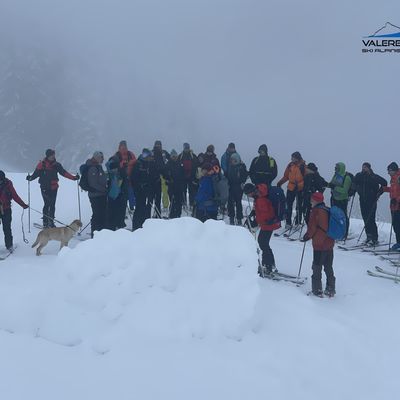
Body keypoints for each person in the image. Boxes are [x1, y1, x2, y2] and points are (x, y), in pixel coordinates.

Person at [27, 149, 79, 228]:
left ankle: (50, 222)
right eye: (52, 155)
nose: (53, 156)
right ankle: (46, 222)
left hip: (54, 188)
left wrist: (73, 178)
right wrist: (30, 178)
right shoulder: (41, 164)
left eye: (54, 155)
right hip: (44, 188)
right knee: (47, 204)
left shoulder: (57, 165)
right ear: (48, 156)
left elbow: (64, 173)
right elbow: (36, 174)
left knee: (52, 204)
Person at [243, 183, 281, 275]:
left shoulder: (261, 199)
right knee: (264, 243)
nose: (248, 196)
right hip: (267, 223)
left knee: (263, 243)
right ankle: (270, 265)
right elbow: (260, 212)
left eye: (247, 194)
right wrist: (253, 213)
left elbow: (265, 214)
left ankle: (267, 266)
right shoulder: (259, 196)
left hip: (269, 224)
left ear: (251, 192)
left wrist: (256, 221)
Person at [303, 192, 336, 297]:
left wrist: (307, 236)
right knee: (328, 267)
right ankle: (331, 289)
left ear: (315, 200)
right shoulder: (328, 209)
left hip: (319, 244)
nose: (310, 202)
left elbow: (312, 228)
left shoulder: (316, 211)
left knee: (316, 267)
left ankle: (317, 290)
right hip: (329, 243)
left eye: (312, 200)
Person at [354, 162, 387, 245]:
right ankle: (368, 236)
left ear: (369, 168)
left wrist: (379, 193)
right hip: (362, 200)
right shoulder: (359, 175)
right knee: (365, 218)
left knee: (371, 218)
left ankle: (374, 238)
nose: (363, 169)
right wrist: (357, 189)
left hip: (372, 200)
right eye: (363, 167)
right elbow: (354, 183)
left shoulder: (374, 176)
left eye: (365, 167)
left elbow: (384, 183)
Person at [107, 141, 136, 230]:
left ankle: (120, 223)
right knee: (118, 204)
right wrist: (120, 166)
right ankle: (117, 223)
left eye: (125, 147)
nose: (124, 148)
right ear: (119, 147)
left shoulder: (130, 155)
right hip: (118, 183)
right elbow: (110, 167)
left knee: (123, 203)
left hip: (128, 182)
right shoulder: (116, 157)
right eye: (122, 147)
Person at [0, 171, 29, 252]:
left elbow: (14, 195)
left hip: (6, 209)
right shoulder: (7, 183)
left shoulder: (8, 184)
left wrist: (23, 205)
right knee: (7, 228)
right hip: (4, 209)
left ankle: (9, 246)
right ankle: (9, 246)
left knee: (7, 228)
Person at [277, 151, 306, 228]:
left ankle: (298, 222)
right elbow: (286, 176)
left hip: (300, 188)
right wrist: (280, 183)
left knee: (299, 206)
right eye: (292, 157)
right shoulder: (290, 165)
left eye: (293, 158)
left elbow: (305, 178)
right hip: (291, 187)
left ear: (297, 158)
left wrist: (300, 185)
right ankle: (288, 222)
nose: (291, 159)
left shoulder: (303, 166)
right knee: (288, 205)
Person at [131, 149, 155, 230]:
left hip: (144, 189)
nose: (150, 158)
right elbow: (134, 178)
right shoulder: (139, 164)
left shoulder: (146, 163)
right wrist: (140, 186)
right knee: (139, 208)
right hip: (139, 190)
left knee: (143, 208)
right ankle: (136, 227)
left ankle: (141, 225)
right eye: (149, 156)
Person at [85, 151, 108, 238]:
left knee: (101, 214)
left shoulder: (98, 166)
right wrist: (104, 189)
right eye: (101, 157)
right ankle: (95, 233)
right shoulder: (93, 168)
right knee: (97, 214)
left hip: (100, 195)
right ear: (97, 157)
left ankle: (100, 232)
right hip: (96, 195)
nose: (103, 159)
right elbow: (93, 183)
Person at [328, 162, 352, 239]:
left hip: (342, 199)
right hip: (334, 198)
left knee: (343, 216)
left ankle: (344, 233)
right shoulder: (336, 175)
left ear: (341, 168)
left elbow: (345, 190)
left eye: (337, 167)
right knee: (334, 215)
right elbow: (331, 184)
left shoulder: (346, 177)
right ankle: (336, 231)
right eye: (335, 167)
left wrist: (334, 187)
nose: (335, 168)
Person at [382, 162, 400, 251]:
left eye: (389, 170)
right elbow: (393, 190)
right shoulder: (393, 179)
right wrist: (385, 189)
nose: (388, 172)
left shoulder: (399, 177)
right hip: (393, 205)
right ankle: (398, 242)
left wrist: (397, 199)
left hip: (398, 205)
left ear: (394, 170)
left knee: (398, 224)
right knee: (396, 225)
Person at [227, 153, 248, 225]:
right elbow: (228, 176)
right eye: (231, 160)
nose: (232, 161)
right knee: (230, 203)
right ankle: (231, 218)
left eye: (233, 160)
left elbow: (245, 176)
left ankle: (239, 219)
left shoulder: (241, 167)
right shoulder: (231, 167)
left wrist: (242, 182)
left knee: (238, 203)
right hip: (231, 186)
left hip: (239, 187)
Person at [150, 140, 170, 217]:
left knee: (164, 192)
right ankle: (154, 210)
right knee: (154, 195)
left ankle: (165, 207)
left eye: (159, 145)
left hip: (163, 175)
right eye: (157, 145)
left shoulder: (164, 152)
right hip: (155, 176)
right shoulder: (151, 153)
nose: (158, 146)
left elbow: (170, 159)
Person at [165, 150, 185, 218]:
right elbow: (165, 175)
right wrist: (168, 180)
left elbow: (183, 173)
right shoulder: (168, 164)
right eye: (173, 156)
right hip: (171, 186)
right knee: (173, 202)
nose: (174, 157)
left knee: (179, 202)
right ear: (171, 157)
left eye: (175, 156)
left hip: (179, 186)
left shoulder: (180, 163)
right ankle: (172, 216)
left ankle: (178, 215)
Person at [178, 143, 198, 209]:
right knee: (183, 190)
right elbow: (177, 165)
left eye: (187, 148)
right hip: (183, 176)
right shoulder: (181, 156)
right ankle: (184, 203)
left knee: (191, 190)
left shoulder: (192, 156)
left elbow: (196, 165)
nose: (187, 149)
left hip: (191, 176)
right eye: (186, 148)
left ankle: (191, 203)